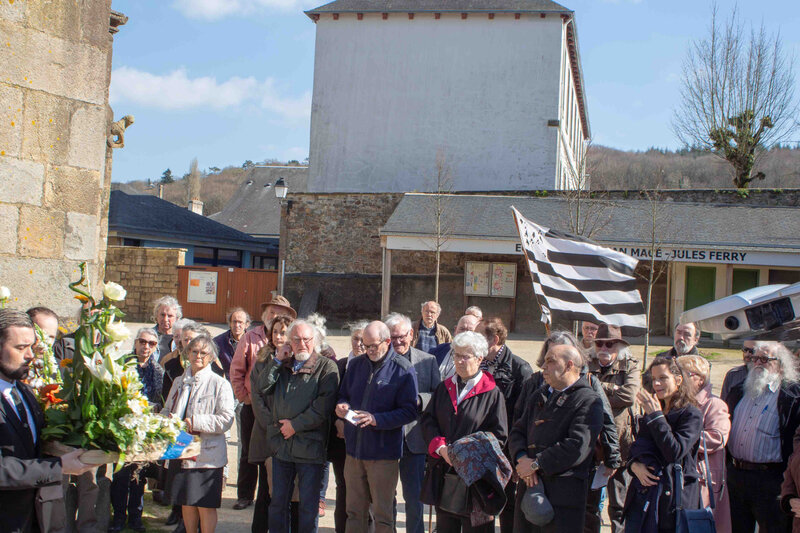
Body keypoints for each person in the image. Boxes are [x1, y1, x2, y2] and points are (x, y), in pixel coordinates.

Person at [0, 309, 93, 532]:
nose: (30, 355)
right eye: (20, 348)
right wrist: (58, 466)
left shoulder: (25, 392)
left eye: (31, 346)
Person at [509, 344, 604, 533]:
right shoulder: (540, 394)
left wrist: (536, 464)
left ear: (569, 365)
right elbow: (518, 431)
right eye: (544, 361)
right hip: (530, 489)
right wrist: (522, 459)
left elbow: (577, 446)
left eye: (550, 361)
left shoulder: (588, 400)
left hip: (563, 496)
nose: (543, 367)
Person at [421, 331, 509, 533]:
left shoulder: (492, 393)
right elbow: (428, 420)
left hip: (477, 480)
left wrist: (463, 452)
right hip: (445, 473)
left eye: (465, 356)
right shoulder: (445, 387)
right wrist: (441, 447)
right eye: (456, 355)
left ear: (479, 359)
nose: (459, 361)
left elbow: (499, 435)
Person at [335, 321, 418, 533]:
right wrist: (342, 405)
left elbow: (409, 411)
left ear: (387, 341)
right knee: (354, 512)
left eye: (373, 345)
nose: (368, 350)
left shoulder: (403, 369)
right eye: (365, 344)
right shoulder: (355, 365)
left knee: (383, 516)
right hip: (354, 453)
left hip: (383, 456)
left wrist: (376, 419)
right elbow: (344, 394)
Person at [257, 319, 339, 533]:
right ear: (289, 342)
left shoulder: (326, 367)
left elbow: (323, 406)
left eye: (306, 339)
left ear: (315, 341)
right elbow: (263, 387)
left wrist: (295, 425)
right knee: (277, 505)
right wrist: (276, 361)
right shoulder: (282, 364)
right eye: (296, 339)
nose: (302, 344)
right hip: (282, 447)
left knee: (307, 508)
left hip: (310, 449)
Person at [162, 334, 235, 533]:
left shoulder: (220, 384)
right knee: (186, 501)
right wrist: (162, 421)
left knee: (205, 503)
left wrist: (195, 422)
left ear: (211, 356)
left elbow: (226, 419)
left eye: (204, 353)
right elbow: (167, 408)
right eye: (194, 351)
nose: (198, 356)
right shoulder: (179, 381)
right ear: (188, 354)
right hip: (180, 447)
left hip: (206, 454)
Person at [230, 294, 296, 511]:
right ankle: (245, 495)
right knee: (249, 453)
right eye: (271, 311)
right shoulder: (250, 336)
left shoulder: (292, 340)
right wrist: (245, 398)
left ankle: (269, 496)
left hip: (278, 408)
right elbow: (237, 370)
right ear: (264, 314)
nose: (274, 315)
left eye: (280, 312)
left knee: (273, 456)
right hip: (252, 404)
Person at [725, 341, 800, 533]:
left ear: (781, 366)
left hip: (771, 480)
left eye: (765, 359)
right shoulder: (739, 390)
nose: (757, 363)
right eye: (755, 358)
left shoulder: (791, 397)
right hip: (736, 476)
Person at [623, 357, 703, 533]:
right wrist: (634, 466)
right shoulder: (653, 409)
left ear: (678, 379)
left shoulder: (691, 414)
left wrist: (657, 417)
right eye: (654, 379)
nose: (657, 383)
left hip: (675, 499)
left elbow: (674, 452)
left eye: (663, 378)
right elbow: (637, 448)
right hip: (646, 496)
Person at [384, 313, 441, 533]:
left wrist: (419, 400)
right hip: (385, 439)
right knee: (386, 497)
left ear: (411, 334)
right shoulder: (379, 360)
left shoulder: (428, 361)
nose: (398, 341)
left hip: (415, 441)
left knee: (415, 499)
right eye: (393, 337)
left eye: (402, 336)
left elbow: (438, 396)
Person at [480, 316, 532, 532]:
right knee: (483, 504)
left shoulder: (520, 369)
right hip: (481, 448)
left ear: (495, 338)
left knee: (509, 506)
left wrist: (518, 454)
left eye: (479, 335)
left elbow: (524, 418)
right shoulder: (477, 364)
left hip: (507, 451)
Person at [110, 327, 165, 532]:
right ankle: (117, 517)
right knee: (121, 475)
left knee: (139, 476)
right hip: (123, 427)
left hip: (144, 429)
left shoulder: (158, 371)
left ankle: (135, 516)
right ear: (135, 342)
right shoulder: (123, 364)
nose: (146, 346)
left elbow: (159, 400)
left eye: (151, 344)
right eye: (143, 341)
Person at [586, 324, 640, 533]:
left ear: (619, 346)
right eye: (600, 343)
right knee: (590, 505)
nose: (604, 348)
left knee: (619, 505)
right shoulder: (587, 363)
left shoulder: (631, 365)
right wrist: (611, 390)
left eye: (610, 344)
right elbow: (582, 395)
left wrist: (598, 388)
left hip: (620, 444)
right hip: (591, 444)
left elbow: (629, 396)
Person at [676, 354, 731, 533]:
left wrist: (682, 439)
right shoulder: (677, 403)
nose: (678, 379)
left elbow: (718, 437)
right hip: (681, 477)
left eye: (682, 374)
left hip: (704, 481)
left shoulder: (714, 404)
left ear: (699, 379)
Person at [249, 315, 292, 533]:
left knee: (289, 493)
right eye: (275, 332)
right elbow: (256, 397)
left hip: (291, 435)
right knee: (265, 490)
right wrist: (272, 426)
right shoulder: (262, 360)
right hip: (267, 434)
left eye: (283, 332)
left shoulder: (296, 360)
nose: (278, 336)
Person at [326, 320, 369, 533]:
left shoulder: (375, 367)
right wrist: (338, 421)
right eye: (355, 338)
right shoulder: (339, 365)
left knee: (367, 491)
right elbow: (331, 399)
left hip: (367, 440)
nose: (359, 344)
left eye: (364, 340)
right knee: (343, 487)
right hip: (341, 439)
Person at [431, 314, 481, 380]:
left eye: (470, 331)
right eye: (462, 329)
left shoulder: (478, 359)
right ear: (455, 330)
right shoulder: (438, 350)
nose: (465, 333)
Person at [213, 307, 251, 379]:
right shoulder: (217, 342)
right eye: (234, 322)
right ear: (230, 323)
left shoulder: (253, 342)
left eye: (240, 322)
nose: (237, 325)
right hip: (226, 382)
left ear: (247, 325)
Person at [152, 296, 183, 361]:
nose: (165, 319)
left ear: (177, 318)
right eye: (162, 315)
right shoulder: (148, 336)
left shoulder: (183, 338)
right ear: (156, 315)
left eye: (170, 316)